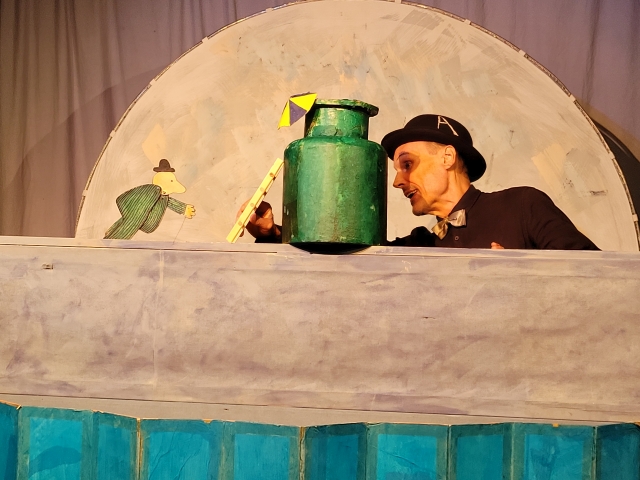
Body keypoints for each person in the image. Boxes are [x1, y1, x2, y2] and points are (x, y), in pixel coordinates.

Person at [242, 114, 598, 250]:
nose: (398, 181)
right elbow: (343, 262)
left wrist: (528, 278)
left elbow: (599, 279)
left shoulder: (522, 206)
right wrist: (272, 232)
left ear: (448, 157)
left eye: (407, 164)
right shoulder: (422, 244)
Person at [104, 159, 196, 240]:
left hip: (143, 221)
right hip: (135, 216)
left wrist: (183, 208)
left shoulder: (161, 195)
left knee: (128, 222)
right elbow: (134, 217)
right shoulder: (152, 191)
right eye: (171, 181)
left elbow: (167, 201)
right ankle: (113, 239)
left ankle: (111, 236)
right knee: (131, 223)